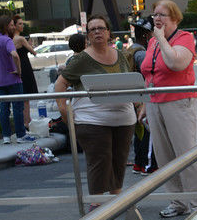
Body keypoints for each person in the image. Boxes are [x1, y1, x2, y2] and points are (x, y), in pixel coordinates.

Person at [53, 15, 138, 204]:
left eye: (101, 28)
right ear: (88, 36)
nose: (97, 31)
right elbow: (60, 84)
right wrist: (63, 110)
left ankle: (117, 201)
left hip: (123, 118)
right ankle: (96, 204)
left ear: (109, 32)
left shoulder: (121, 55)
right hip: (92, 120)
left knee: (119, 159)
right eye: (93, 29)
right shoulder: (81, 59)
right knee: (100, 160)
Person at [140, 0, 197, 218]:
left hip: (179, 103)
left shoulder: (185, 38)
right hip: (155, 103)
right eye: (155, 14)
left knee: (186, 154)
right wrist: (143, 103)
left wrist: (160, 39)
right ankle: (178, 201)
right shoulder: (152, 42)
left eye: (162, 15)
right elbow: (148, 73)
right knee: (164, 155)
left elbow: (175, 63)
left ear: (175, 18)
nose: (156, 19)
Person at [0, 15, 34, 144]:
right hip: (13, 79)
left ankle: (6, 136)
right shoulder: (7, 40)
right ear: (7, 26)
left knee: (4, 108)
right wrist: (18, 71)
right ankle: (20, 135)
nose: (14, 27)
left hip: (0, 81)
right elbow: (15, 55)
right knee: (18, 107)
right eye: (12, 25)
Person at [126, 17, 158, 175]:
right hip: (142, 97)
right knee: (147, 130)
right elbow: (149, 73)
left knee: (140, 131)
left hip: (133, 96)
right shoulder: (141, 54)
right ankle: (147, 163)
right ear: (146, 35)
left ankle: (139, 163)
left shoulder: (131, 50)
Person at [12, 15, 39, 127]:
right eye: (20, 23)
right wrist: (30, 45)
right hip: (25, 67)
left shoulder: (9, 40)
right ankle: (27, 121)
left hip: (15, 67)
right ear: (14, 26)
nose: (22, 25)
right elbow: (34, 52)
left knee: (20, 95)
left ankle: (25, 120)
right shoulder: (21, 39)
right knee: (26, 96)